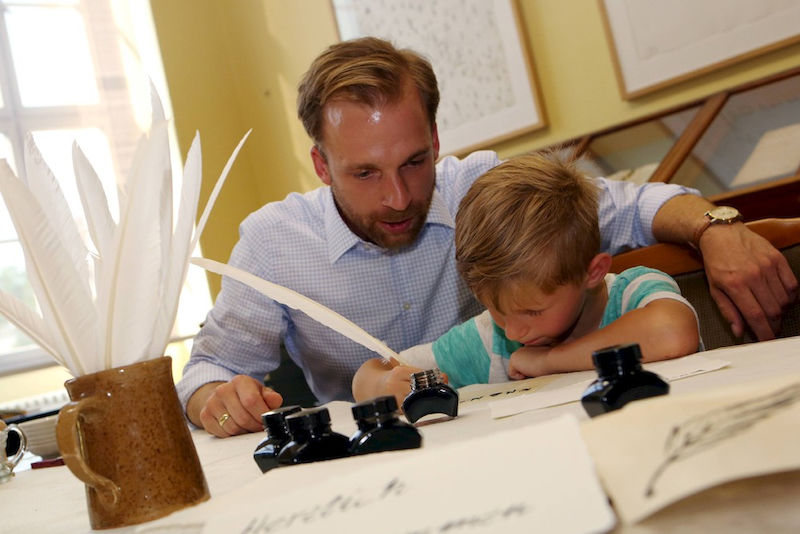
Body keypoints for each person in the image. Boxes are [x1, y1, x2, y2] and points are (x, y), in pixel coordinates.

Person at [177, 37, 796, 438]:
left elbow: (631, 207)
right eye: (365, 173)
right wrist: (215, 395)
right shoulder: (272, 244)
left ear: (438, 142)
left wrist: (715, 228)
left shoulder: (487, 189)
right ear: (320, 165)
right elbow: (207, 369)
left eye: (415, 162)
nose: (398, 197)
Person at [352, 151, 701, 404]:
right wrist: (383, 385)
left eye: (532, 312)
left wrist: (549, 361)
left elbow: (673, 332)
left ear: (592, 272)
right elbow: (372, 371)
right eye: (498, 311)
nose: (515, 331)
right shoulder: (492, 340)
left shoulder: (632, 295)